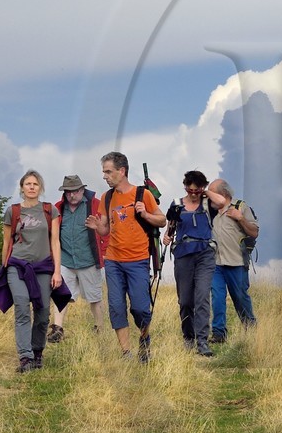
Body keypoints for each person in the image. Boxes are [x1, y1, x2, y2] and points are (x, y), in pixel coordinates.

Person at [88, 151, 165, 362]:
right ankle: (126, 352)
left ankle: (144, 340)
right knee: (116, 305)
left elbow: (162, 220)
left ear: (122, 171)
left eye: (108, 171)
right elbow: (105, 230)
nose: (105, 176)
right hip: (113, 260)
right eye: (104, 172)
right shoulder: (107, 197)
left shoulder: (143, 194)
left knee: (140, 307)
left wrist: (145, 214)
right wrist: (98, 227)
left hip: (138, 260)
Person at [0, 169, 62, 373]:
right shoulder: (13, 211)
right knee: (21, 308)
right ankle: (25, 357)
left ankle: (37, 352)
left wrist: (57, 272)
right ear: (22, 188)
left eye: (35, 184)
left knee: (43, 312)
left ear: (40, 187)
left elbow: (55, 241)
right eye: (28, 184)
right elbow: (7, 241)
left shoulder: (49, 210)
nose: (32, 187)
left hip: (43, 266)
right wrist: (5, 267)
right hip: (17, 266)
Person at [49, 174, 107, 340]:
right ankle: (57, 329)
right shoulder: (58, 208)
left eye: (75, 191)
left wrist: (104, 251)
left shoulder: (95, 205)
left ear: (82, 190)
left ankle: (100, 329)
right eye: (68, 191)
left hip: (88, 260)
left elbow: (105, 228)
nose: (71, 195)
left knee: (94, 297)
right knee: (61, 295)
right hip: (65, 260)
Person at [165, 170, 216, 356]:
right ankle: (188, 337)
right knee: (185, 300)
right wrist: (167, 236)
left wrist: (206, 192)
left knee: (202, 297)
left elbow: (221, 202)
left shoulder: (208, 203)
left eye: (197, 190)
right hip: (183, 253)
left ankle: (202, 341)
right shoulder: (177, 204)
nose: (193, 193)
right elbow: (170, 225)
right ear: (185, 186)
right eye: (190, 189)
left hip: (205, 254)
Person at [206, 177, 258, 343]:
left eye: (212, 194)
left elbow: (254, 232)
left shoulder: (241, 207)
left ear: (223, 194)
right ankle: (219, 333)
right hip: (216, 264)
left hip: (236, 263)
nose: (209, 198)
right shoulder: (210, 210)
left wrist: (241, 218)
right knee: (217, 297)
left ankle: (250, 328)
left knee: (240, 298)